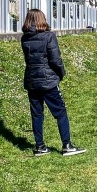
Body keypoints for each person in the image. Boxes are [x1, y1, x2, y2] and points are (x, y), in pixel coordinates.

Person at [21, 9, 86, 157]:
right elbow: (56, 59)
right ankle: (67, 145)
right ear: (42, 19)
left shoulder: (24, 39)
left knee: (37, 114)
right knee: (60, 112)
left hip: (32, 80)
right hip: (49, 80)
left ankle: (39, 146)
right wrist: (61, 73)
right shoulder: (49, 36)